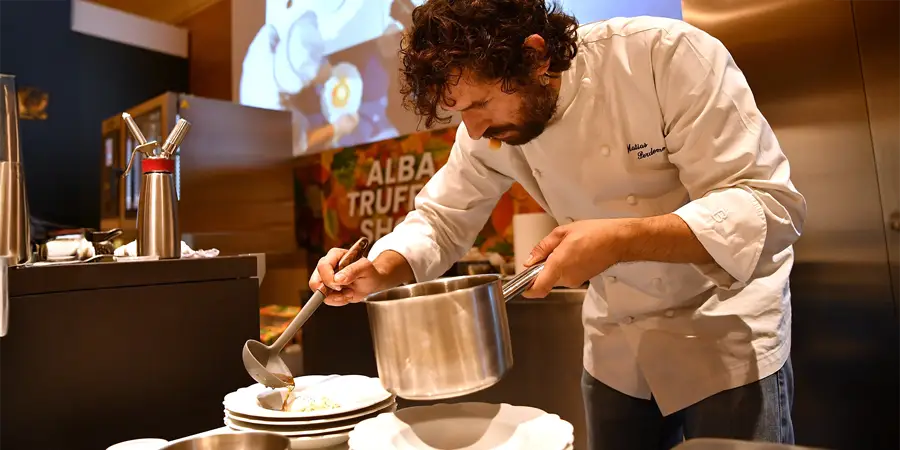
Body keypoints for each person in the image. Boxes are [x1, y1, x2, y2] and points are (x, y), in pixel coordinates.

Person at [308, 1, 807, 448]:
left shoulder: (663, 55)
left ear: (534, 56)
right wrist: (381, 269)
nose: (475, 129)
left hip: (722, 331)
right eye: (462, 114)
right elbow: (440, 219)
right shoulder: (485, 132)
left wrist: (619, 239)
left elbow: (766, 205)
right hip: (617, 345)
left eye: (480, 104)